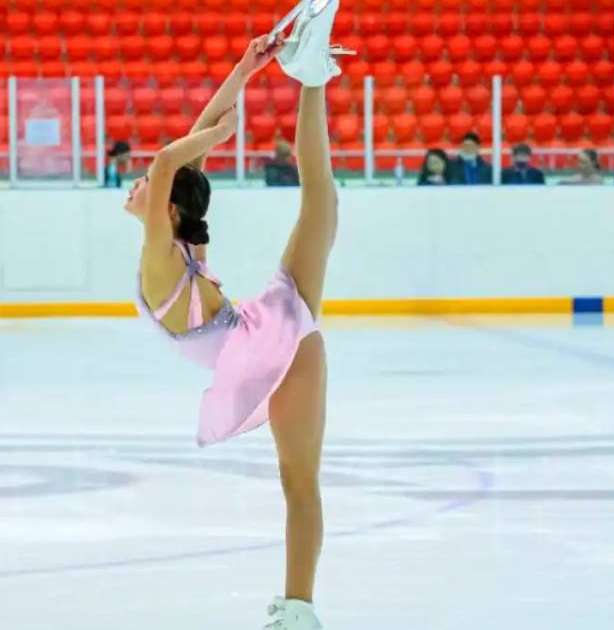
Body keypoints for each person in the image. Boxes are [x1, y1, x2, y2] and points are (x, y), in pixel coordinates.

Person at [124, 7, 344, 627]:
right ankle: (311, 78)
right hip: (265, 343)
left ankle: (309, 76)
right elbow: (176, 161)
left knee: (321, 205)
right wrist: (212, 138)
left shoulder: (166, 251)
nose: (136, 182)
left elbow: (177, 161)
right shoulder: (167, 250)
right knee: (321, 206)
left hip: (265, 340)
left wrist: (248, 65)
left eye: (144, 181)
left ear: (167, 211)